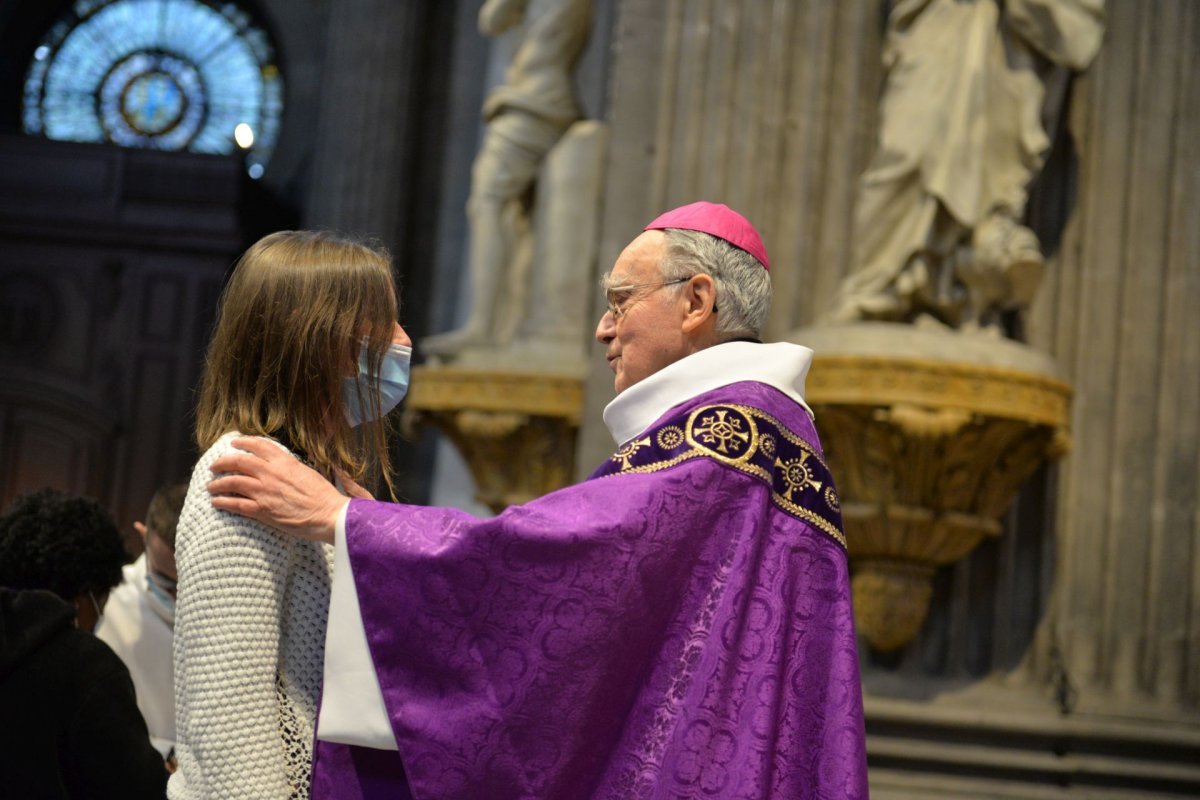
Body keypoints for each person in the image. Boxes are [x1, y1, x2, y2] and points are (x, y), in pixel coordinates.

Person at [209, 203, 869, 799]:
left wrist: (348, 521)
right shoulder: (768, 439)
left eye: (620, 300)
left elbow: (555, 566)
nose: (603, 330)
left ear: (697, 300)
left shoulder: (725, 438)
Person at [169, 231, 412, 799]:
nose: (403, 342)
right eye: (385, 322)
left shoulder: (317, 482)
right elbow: (226, 713)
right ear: (318, 337)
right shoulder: (243, 470)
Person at [423, 0, 593, 355]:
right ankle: (506, 324)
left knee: (487, 202)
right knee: (518, 217)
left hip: (534, 103)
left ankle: (482, 325)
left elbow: (492, 19)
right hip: (546, 97)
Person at [0, 488, 169, 799]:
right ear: (82, 597)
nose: (102, 611)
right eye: (101, 598)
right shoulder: (86, 666)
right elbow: (139, 788)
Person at [97, 482, 187, 759]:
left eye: (187, 584)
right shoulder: (107, 601)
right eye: (164, 580)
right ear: (143, 535)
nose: (175, 597)